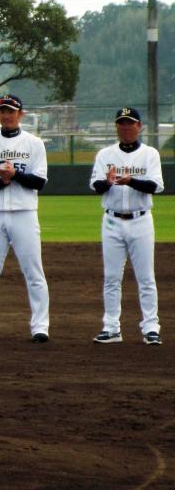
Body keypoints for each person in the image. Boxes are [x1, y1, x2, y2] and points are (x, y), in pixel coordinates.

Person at [0, 94, 50, 342]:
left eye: (11, 110)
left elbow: (39, 181)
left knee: (33, 271)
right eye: (2, 111)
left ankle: (40, 326)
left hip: (24, 213)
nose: (6, 115)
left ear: (20, 114)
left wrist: (14, 175)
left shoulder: (34, 143)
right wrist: (2, 181)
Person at [90, 107, 165, 345]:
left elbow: (155, 186)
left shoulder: (150, 154)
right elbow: (95, 186)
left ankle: (151, 327)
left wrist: (131, 180)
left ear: (139, 126)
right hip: (112, 221)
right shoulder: (105, 154)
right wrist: (107, 181)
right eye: (121, 123)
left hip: (141, 220)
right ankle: (111, 327)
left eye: (130, 123)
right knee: (111, 277)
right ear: (116, 127)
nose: (125, 127)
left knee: (146, 277)